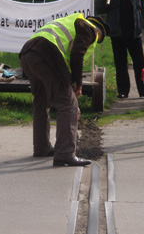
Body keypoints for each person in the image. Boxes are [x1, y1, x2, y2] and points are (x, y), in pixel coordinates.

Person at [19, 13, 110, 165]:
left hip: (28, 53)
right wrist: (78, 85)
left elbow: (64, 64)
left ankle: (41, 148)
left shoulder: (72, 22)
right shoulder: (89, 29)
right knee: (68, 104)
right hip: (47, 54)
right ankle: (65, 154)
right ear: (99, 33)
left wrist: (71, 85)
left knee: (42, 101)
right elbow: (77, 55)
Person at [98, 0, 144, 99]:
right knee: (120, 65)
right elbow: (100, 9)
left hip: (134, 34)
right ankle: (123, 91)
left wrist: (141, 24)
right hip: (117, 34)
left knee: (140, 64)